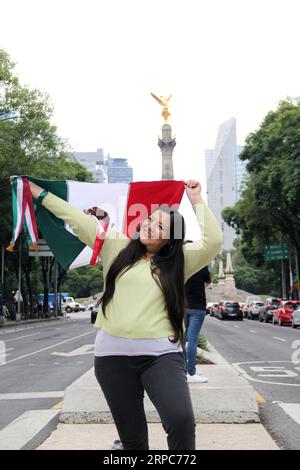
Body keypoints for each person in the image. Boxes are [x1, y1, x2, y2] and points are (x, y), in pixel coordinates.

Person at [28, 179, 222, 450]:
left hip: (162, 357)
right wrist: (38, 192)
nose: (149, 226)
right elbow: (73, 216)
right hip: (112, 359)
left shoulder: (181, 262)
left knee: (181, 422)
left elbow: (214, 241)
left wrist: (196, 199)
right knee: (133, 440)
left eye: (160, 226)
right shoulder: (115, 245)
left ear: (170, 239)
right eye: (150, 220)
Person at [184, 264, 211, 383]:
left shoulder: (183, 265)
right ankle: (191, 373)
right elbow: (208, 280)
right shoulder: (201, 265)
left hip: (185, 306)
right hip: (198, 307)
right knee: (192, 340)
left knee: (184, 339)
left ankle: (184, 370)